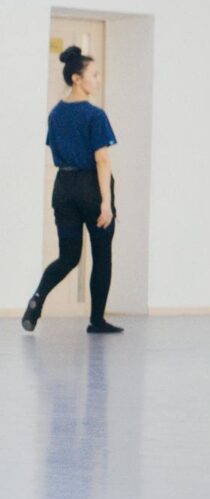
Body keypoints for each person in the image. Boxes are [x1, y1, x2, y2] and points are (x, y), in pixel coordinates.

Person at [22, 45, 121, 334]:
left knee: (68, 257)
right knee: (101, 255)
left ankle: (37, 300)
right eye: (94, 74)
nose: (98, 80)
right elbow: (102, 159)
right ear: (77, 78)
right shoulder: (95, 115)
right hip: (91, 187)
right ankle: (97, 320)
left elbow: (56, 149)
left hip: (63, 188)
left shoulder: (55, 114)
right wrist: (106, 202)